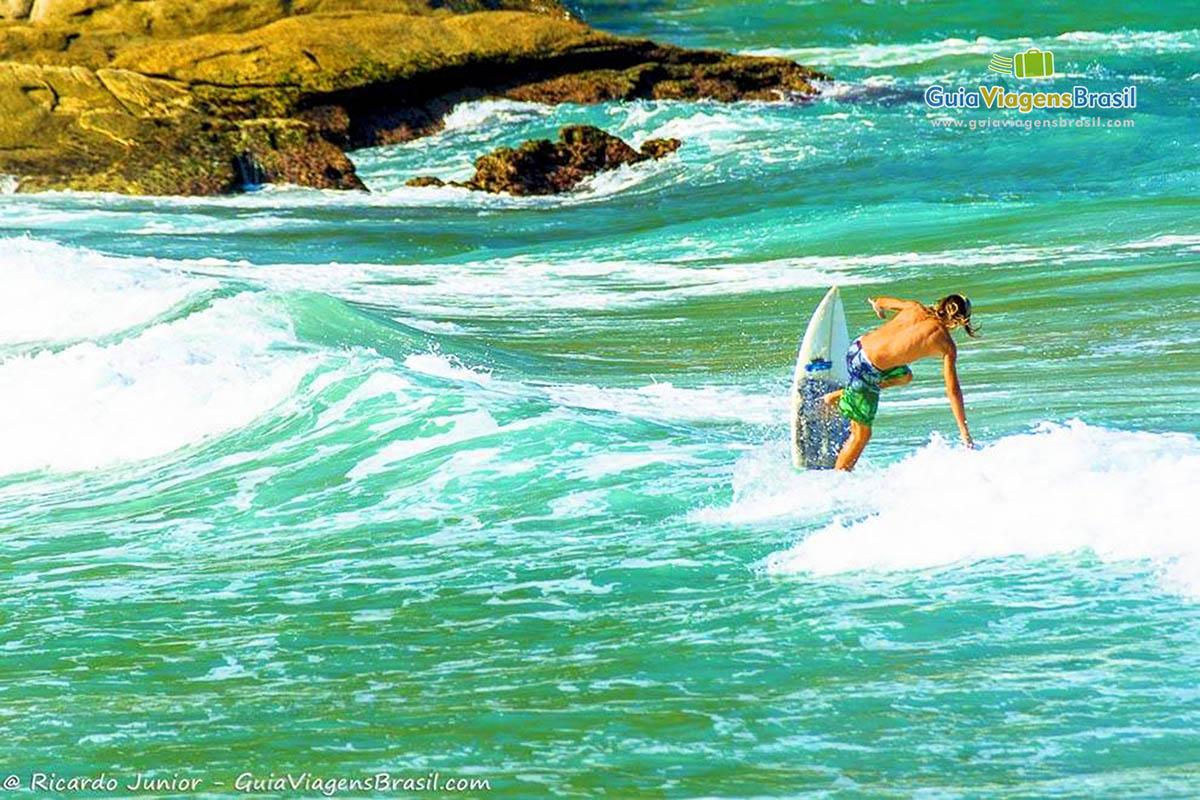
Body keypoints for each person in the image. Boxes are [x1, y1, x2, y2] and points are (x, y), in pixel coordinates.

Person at [821, 294, 977, 471]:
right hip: (867, 369)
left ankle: (844, 395)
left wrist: (877, 308)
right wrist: (964, 431)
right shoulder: (946, 344)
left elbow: (880, 301)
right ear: (960, 321)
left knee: (904, 376)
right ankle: (837, 479)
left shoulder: (915, 307)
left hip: (856, 348)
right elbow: (952, 390)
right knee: (861, 435)